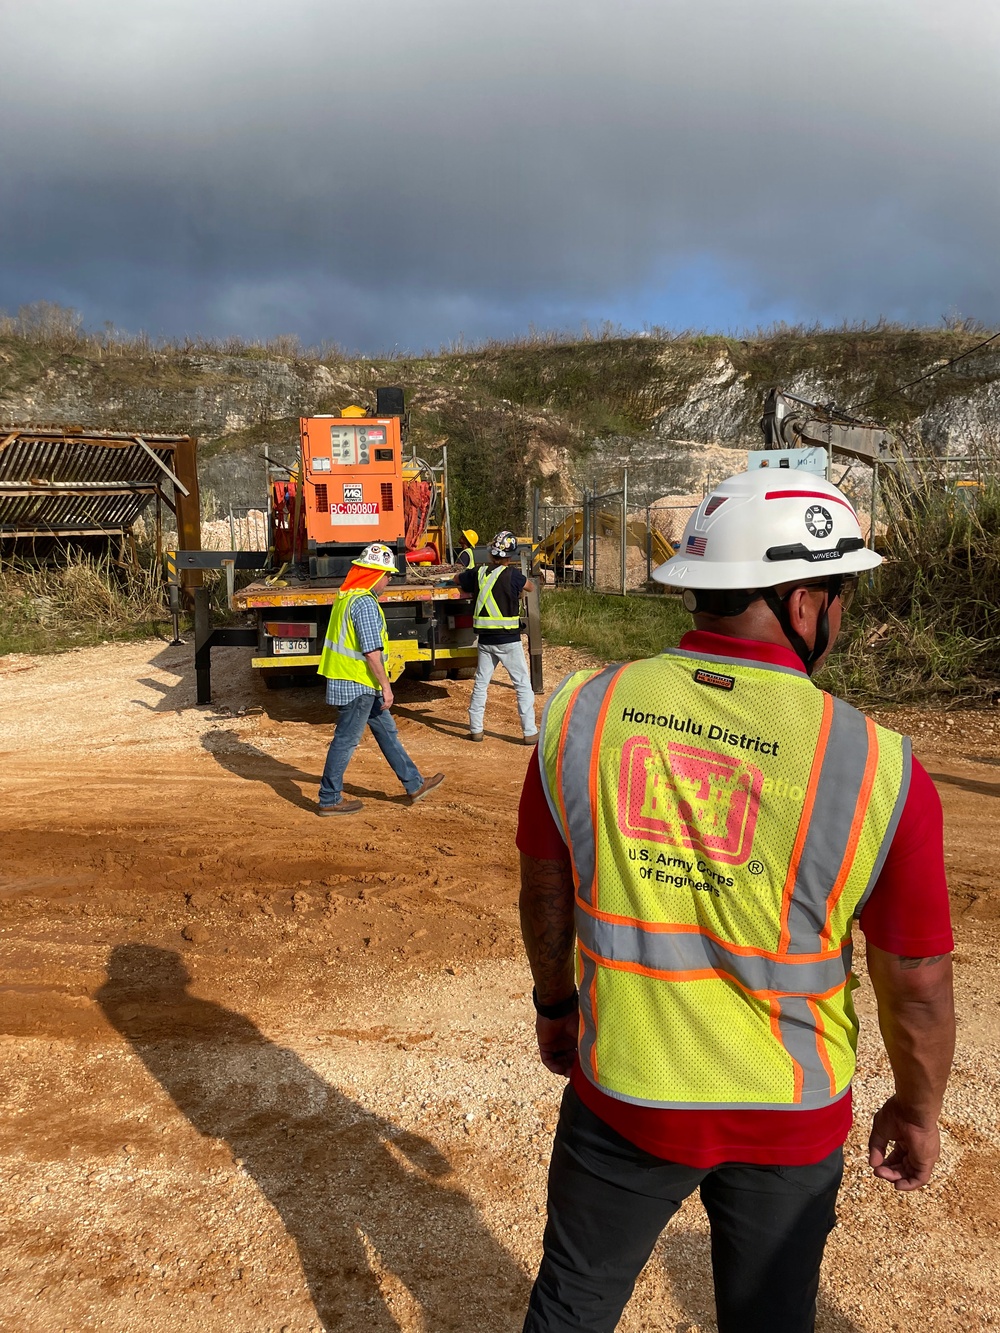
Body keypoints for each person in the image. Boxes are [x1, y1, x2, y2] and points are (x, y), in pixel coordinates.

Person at [517, 469, 955, 1333]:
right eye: (841, 595)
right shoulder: (878, 767)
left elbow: (545, 885)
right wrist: (917, 1106)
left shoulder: (583, 712)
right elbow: (918, 980)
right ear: (804, 602)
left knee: (570, 1308)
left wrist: (556, 1004)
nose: (841, 615)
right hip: (786, 1114)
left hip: (626, 1089)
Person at [316, 542, 444, 814]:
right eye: (387, 575)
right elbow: (371, 652)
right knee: (346, 740)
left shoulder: (347, 596)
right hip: (358, 683)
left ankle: (414, 784)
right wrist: (387, 687)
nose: (388, 580)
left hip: (357, 681)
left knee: (387, 732)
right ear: (375, 575)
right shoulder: (364, 603)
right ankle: (329, 799)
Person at [456, 529, 538, 745]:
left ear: (491, 554)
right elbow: (530, 587)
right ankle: (529, 732)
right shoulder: (513, 575)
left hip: (485, 641)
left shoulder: (478, 572)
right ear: (510, 556)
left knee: (481, 684)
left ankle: (476, 730)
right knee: (522, 685)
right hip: (509, 641)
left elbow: (457, 578)